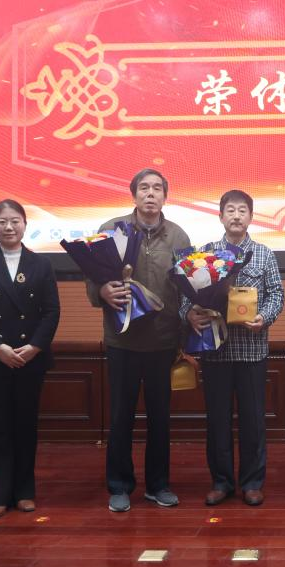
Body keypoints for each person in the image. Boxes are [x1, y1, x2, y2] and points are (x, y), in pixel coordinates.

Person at [86, 169, 190, 512]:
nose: (150, 194)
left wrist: (185, 337)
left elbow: (186, 288)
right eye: (144, 188)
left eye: (157, 188)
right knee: (121, 417)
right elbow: (92, 278)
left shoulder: (178, 236)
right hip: (122, 341)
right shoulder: (111, 230)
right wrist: (102, 291)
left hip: (163, 341)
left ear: (165, 196)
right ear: (133, 195)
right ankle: (119, 485)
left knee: (160, 419)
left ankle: (158, 485)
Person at [185, 190, 284, 507]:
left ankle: (252, 483)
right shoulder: (205, 254)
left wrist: (264, 317)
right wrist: (189, 314)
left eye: (243, 210)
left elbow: (276, 295)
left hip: (252, 351)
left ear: (251, 217)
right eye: (230, 210)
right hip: (215, 351)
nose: (236, 215)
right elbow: (186, 294)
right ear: (220, 216)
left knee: (253, 421)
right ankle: (221, 482)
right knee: (217, 420)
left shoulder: (264, 254)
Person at [0, 199, 60, 519]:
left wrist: (35, 347)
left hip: (30, 358)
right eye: (2, 221)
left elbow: (51, 312)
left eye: (15, 221)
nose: (8, 227)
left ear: (25, 224)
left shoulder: (41, 264)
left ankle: (25, 492)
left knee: (26, 426)